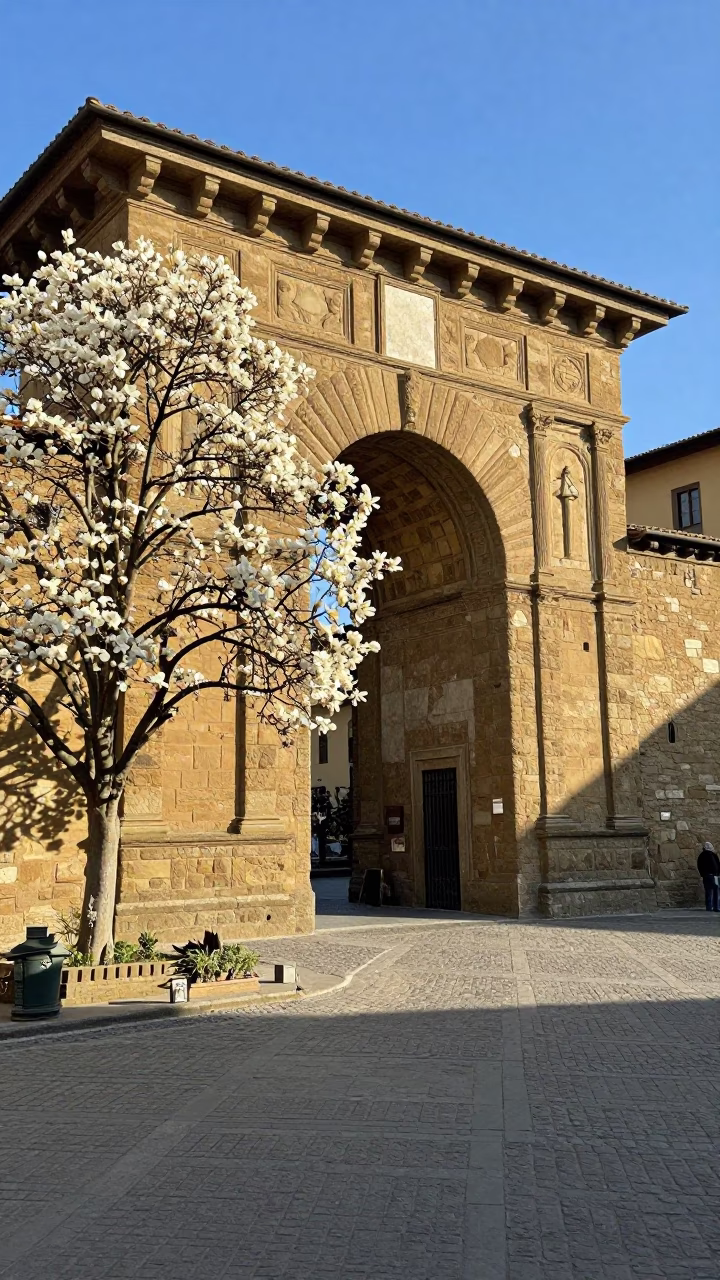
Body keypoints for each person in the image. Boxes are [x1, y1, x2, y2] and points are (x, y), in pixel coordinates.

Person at [697, 841, 720, 911]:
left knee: (708, 891)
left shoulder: (701, 856)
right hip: (713, 875)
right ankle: (716, 906)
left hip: (706, 876)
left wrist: (702, 874)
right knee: (716, 890)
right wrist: (717, 873)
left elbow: (699, 866)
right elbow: (716, 866)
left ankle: (709, 906)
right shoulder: (712, 855)